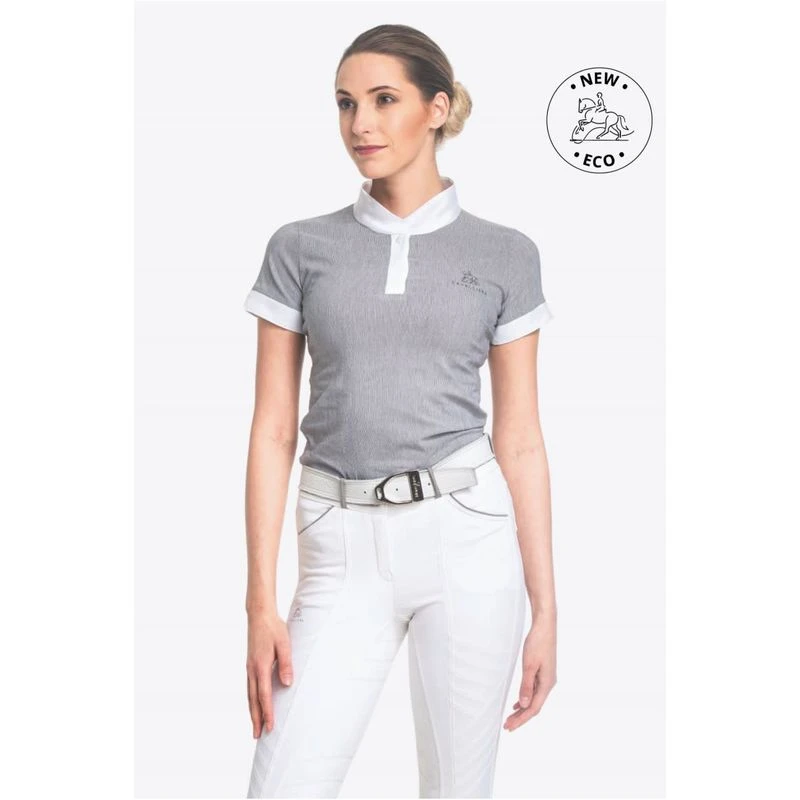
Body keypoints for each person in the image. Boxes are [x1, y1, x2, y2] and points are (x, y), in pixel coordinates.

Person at [243, 23, 558, 799]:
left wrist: (546, 609)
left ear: (437, 109)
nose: (361, 124)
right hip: (337, 548)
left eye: (385, 100)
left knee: (458, 788)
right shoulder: (299, 248)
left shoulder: (505, 254)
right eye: (346, 103)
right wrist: (259, 599)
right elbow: (273, 430)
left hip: (468, 539)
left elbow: (520, 437)